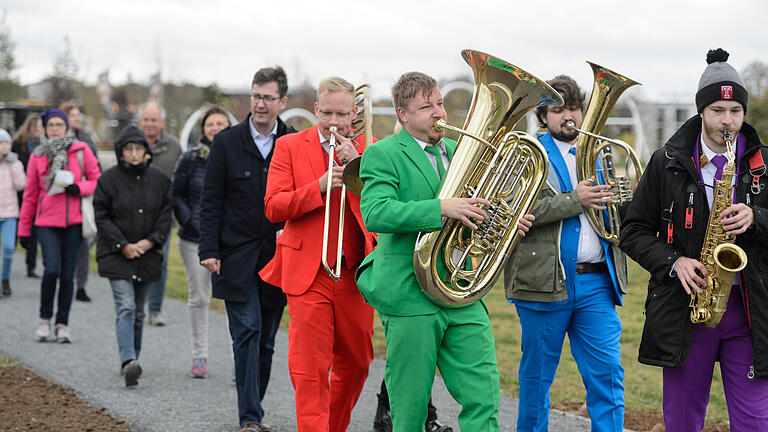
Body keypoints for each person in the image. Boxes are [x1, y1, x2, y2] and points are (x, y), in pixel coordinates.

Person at [356, 71, 531, 431]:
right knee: (410, 407)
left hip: (460, 291)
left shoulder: (458, 150)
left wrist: (507, 222)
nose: (439, 113)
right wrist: (440, 209)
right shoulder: (382, 154)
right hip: (408, 291)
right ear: (403, 115)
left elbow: (475, 212)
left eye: (439, 103)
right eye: (426, 107)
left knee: (484, 395)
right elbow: (375, 212)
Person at [620, 48, 768, 431]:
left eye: (736, 111)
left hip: (750, 314)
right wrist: (674, 262)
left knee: (755, 422)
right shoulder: (665, 161)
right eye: (718, 110)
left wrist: (757, 219)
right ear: (701, 111)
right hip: (687, 310)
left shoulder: (763, 165)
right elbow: (633, 231)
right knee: (683, 420)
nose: (728, 120)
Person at [502, 74, 627, 431]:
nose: (568, 115)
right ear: (543, 116)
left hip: (596, 284)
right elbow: (520, 210)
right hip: (544, 283)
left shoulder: (597, 152)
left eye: (573, 107)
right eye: (558, 109)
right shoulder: (526, 154)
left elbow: (612, 212)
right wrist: (577, 200)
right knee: (537, 381)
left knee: (608, 376)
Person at [259, 77, 375, 431]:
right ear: (315, 110)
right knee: (309, 369)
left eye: (342, 113)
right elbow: (273, 207)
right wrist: (318, 187)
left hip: (355, 275)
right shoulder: (290, 146)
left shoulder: (372, 149)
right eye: (327, 113)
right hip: (308, 274)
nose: (335, 122)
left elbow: (379, 210)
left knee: (357, 364)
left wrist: (358, 168)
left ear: (355, 113)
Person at [199, 66, 296, 432]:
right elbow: (211, 200)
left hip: (279, 257)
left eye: (268, 98)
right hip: (235, 256)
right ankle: (250, 418)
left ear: (282, 102)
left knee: (268, 341)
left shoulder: (293, 142)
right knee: (248, 332)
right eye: (256, 96)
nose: (260, 103)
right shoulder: (225, 143)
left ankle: (254, 408)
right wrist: (209, 248)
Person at [93, 124, 171, 387]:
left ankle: (133, 360)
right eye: (129, 149)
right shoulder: (108, 180)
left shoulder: (160, 179)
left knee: (138, 311)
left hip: (148, 255)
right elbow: (101, 216)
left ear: (145, 152)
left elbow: (165, 215)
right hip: (116, 254)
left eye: (139, 149)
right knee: (125, 305)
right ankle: (127, 360)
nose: (134, 154)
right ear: (121, 151)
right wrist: (123, 244)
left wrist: (149, 243)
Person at [18, 108, 100, 343]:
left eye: (59, 125)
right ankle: (44, 318)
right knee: (51, 269)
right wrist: (24, 230)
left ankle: (62, 324)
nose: (55, 129)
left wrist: (79, 188)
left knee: (67, 275)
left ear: (67, 127)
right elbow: (31, 195)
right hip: (46, 222)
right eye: (51, 125)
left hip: (74, 222)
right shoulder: (38, 155)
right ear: (44, 128)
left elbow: (97, 180)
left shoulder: (80, 150)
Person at [172, 105, 231, 378]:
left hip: (230, 241)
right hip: (194, 240)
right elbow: (177, 195)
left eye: (220, 123)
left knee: (235, 301)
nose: (215, 128)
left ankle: (238, 360)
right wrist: (190, 222)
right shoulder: (190, 159)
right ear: (203, 128)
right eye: (210, 124)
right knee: (198, 298)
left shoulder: (237, 158)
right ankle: (199, 356)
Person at [139, 101, 182, 326]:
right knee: (135, 259)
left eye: (153, 120)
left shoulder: (173, 147)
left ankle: (155, 309)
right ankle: (135, 305)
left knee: (160, 260)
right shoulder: (131, 144)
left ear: (161, 122)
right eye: (146, 119)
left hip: (162, 216)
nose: (149, 124)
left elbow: (180, 180)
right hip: (133, 215)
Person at [61, 101, 102, 303]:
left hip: (84, 196)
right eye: (73, 115)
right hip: (60, 199)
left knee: (85, 241)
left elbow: (96, 169)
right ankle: (64, 277)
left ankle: (81, 285)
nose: (77, 118)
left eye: (78, 115)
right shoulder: (55, 141)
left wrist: (84, 186)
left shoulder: (86, 140)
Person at [12, 114, 43, 279]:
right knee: (18, 225)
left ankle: (30, 266)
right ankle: (10, 254)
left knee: (34, 230)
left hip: (35, 193)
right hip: (19, 192)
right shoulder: (18, 144)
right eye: (36, 126)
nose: (39, 129)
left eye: (40, 126)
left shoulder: (43, 145)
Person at [0, 128, 26, 297]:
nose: (4, 146)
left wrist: (13, 166)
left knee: (9, 248)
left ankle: (5, 278)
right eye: (1, 143)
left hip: (9, 213)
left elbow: (21, 185)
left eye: (7, 143)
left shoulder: (15, 164)